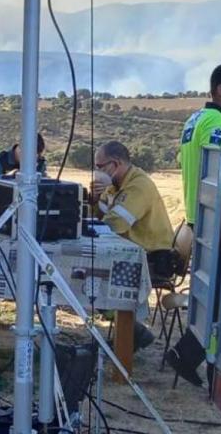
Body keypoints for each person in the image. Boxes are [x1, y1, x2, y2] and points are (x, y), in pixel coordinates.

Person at [165, 62, 221, 387]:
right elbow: (215, 180)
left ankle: (188, 355)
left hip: (199, 220)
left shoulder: (196, 119)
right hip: (215, 221)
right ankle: (194, 358)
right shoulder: (218, 124)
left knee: (210, 298)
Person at [89, 141, 176, 351]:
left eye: (100, 167)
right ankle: (130, 331)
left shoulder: (138, 186)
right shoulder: (115, 185)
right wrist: (94, 199)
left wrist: (96, 220)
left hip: (153, 258)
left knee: (94, 276)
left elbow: (115, 224)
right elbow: (100, 217)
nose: (97, 172)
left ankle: (132, 333)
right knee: (89, 274)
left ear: (116, 164)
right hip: (130, 252)